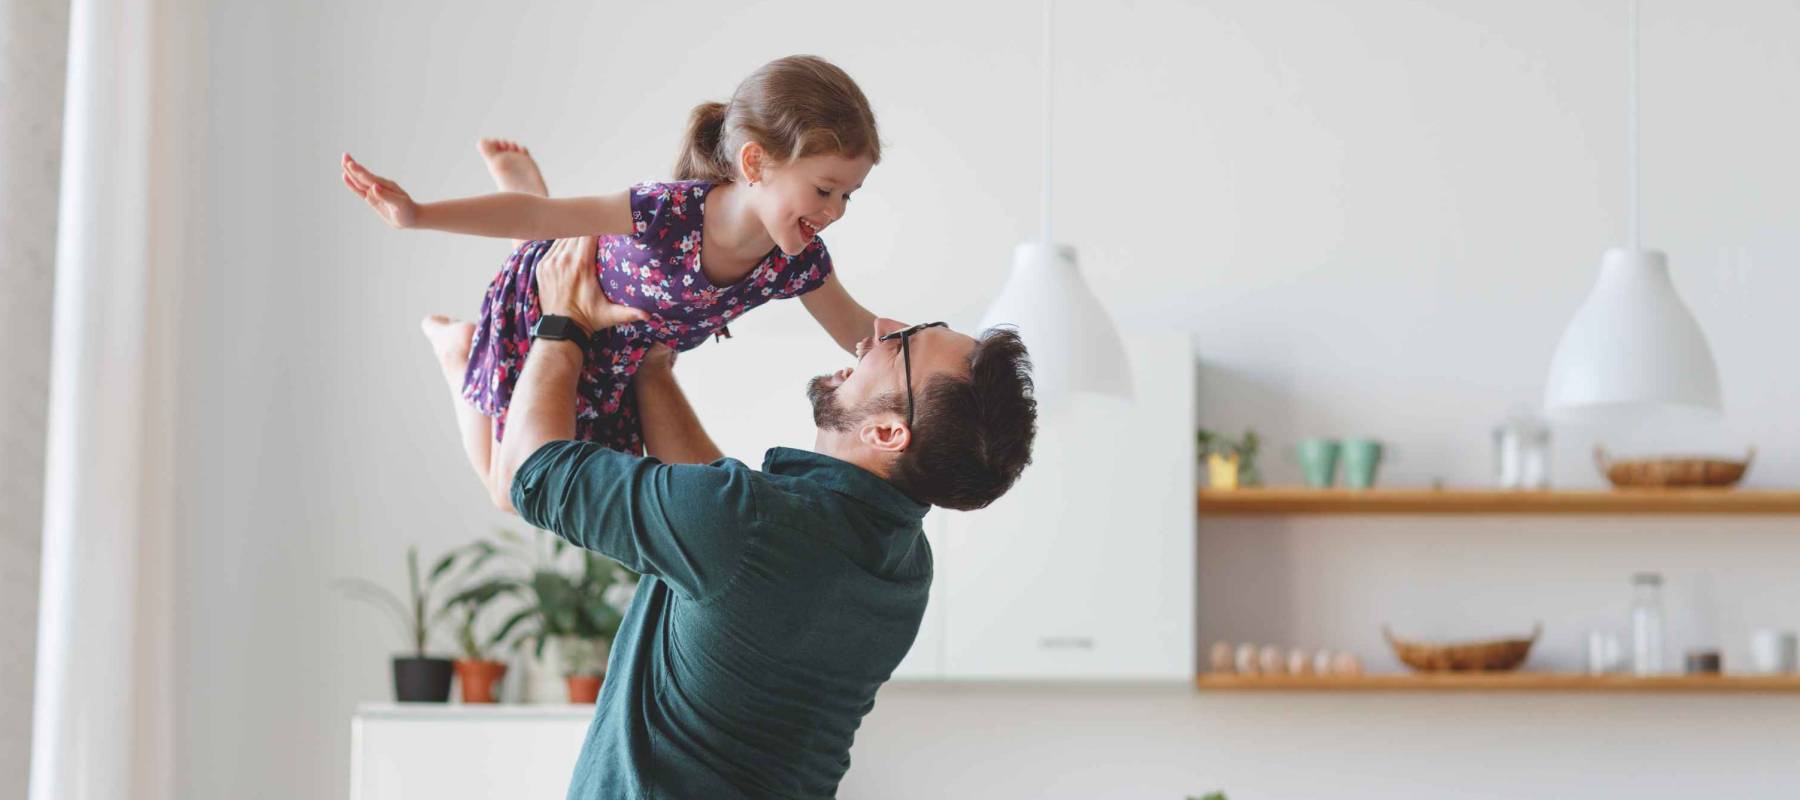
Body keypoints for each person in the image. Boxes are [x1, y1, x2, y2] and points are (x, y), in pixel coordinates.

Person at [490, 233, 1037, 798]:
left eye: (901, 346)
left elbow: (528, 474)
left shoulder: (751, 525)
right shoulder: (900, 565)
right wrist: (653, 371)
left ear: (887, 432)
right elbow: (727, 547)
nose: (879, 329)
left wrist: (563, 321)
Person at [340, 55, 889, 509]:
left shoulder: (797, 262)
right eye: (824, 190)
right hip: (545, 312)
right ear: (755, 162)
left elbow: (863, 332)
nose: (836, 211)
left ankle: (534, 209)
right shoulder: (668, 212)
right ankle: (458, 351)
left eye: (848, 195)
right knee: (510, 495)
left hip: (616, 363)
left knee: (542, 491)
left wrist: (969, 354)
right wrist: (417, 213)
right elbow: (533, 218)